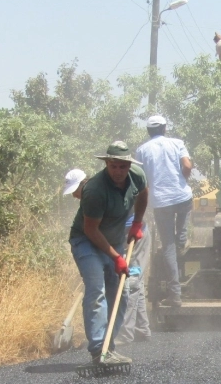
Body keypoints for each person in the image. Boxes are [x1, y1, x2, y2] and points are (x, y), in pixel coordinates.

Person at [68, 141, 148, 365]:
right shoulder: (94, 190)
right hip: (86, 241)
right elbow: (90, 229)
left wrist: (137, 223)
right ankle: (97, 350)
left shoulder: (137, 175)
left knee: (120, 293)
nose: (118, 171)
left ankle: (108, 347)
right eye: (113, 166)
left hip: (113, 241)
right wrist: (116, 257)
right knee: (97, 290)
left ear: (129, 165)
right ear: (106, 164)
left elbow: (143, 194)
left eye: (123, 166)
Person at [135, 115, 193, 308]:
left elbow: (140, 180)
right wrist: (181, 181)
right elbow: (187, 166)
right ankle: (181, 245)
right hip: (182, 197)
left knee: (168, 246)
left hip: (161, 202)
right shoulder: (177, 143)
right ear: (165, 128)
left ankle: (175, 295)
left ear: (148, 131)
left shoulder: (142, 151)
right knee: (179, 241)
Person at [116, 215, 152, 344]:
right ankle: (142, 329)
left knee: (131, 280)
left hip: (131, 231)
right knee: (137, 283)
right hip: (137, 228)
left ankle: (126, 334)